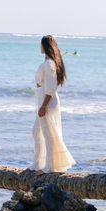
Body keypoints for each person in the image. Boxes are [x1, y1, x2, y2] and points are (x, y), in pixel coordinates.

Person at [28, 35, 76, 176]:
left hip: (47, 102)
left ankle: (49, 167)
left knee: (49, 135)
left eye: (41, 45)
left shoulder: (49, 64)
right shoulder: (49, 62)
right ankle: (38, 163)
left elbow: (51, 87)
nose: (40, 47)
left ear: (46, 46)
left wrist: (43, 106)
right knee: (37, 133)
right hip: (44, 100)